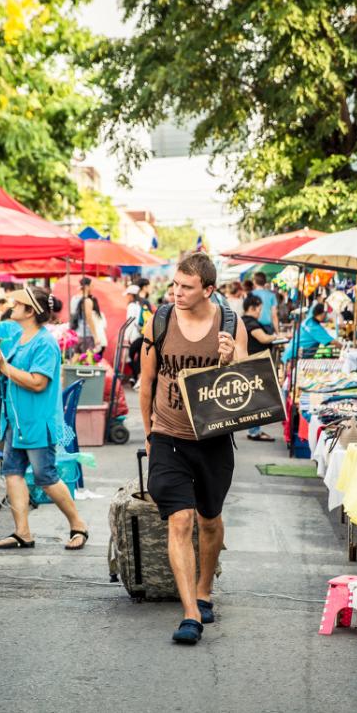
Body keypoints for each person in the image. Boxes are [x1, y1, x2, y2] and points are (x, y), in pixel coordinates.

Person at [139, 252, 247, 645]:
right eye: (175, 285)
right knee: (180, 521)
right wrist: (149, 434)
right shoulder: (161, 320)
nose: (177, 293)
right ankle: (189, 614)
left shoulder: (230, 324)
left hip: (214, 439)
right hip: (168, 436)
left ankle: (204, 591)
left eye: (186, 287)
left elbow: (245, 387)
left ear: (209, 290)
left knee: (209, 520)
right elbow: (146, 381)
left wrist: (230, 359)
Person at [0, 287, 89, 552]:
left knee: (45, 476)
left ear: (30, 311)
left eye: (17, 302)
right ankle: (22, 532)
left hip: (37, 422)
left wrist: (4, 367)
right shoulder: (18, 335)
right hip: (16, 421)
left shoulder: (45, 343)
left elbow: (38, 383)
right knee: (12, 473)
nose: (12, 305)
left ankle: (79, 525)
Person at [242, 294, 277, 442]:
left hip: (251, 363)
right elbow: (263, 338)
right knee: (257, 399)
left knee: (255, 398)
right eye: (259, 309)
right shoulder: (250, 323)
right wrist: (275, 336)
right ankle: (254, 431)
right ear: (252, 307)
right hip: (254, 364)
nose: (260, 312)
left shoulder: (243, 321)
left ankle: (254, 430)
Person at [69, 277, 106, 355]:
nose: (93, 288)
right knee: (88, 363)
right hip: (87, 336)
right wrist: (96, 336)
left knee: (76, 361)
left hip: (75, 335)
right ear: (86, 287)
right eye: (92, 286)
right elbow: (89, 319)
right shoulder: (87, 301)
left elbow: (72, 316)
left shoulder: (73, 299)